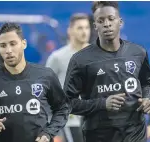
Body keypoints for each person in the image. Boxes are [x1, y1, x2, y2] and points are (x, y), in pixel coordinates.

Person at [64, 2, 150, 142]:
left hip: (135, 131)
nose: (107, 24)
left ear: (120, 22)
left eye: (111, 19)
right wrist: (102, 104)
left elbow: (147, 84)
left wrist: (148, 98)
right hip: (99, 134)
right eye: (101, 21)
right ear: (95, 26)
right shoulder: (80, 60)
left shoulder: (138, 52)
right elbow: (67, 102)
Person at [0, 23, 71, 142]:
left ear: (24, 44)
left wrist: (48, 133)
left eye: (13, 44)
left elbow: (63, 108)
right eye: (3, 45)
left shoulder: (45, 75)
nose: (8, 50)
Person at [46, 13, 90, 142]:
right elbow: (46, 91)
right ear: (70, 30)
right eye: (80, 28)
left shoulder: (98, 55)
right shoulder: (57, 57)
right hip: (68, 122)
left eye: (87, 28)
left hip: (93, 119)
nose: (84, 32)